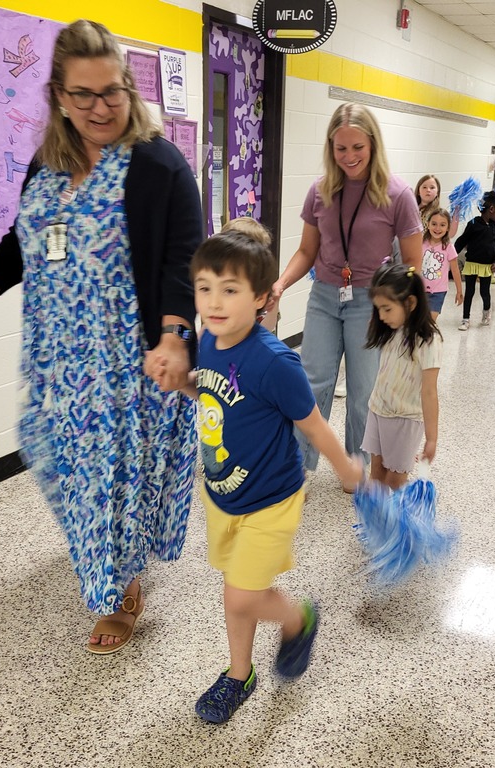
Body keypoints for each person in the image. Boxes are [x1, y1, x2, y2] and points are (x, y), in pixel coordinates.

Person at [0, 20, 202, 654]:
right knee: (52, 456)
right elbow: (21, 241)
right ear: (59, 95)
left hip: (125, 359)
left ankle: (118, 589)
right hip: (57, 356)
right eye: (83, 94)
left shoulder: (158, 164)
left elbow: (183, 258)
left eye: (112, 92)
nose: (100, 108)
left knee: (107, 478)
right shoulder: (49, 162)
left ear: (129, 87)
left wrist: (174, 335)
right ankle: (105, 552)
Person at [182, 227, 363, 724]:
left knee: (243, 592)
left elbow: (314, 425)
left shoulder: (276, 362)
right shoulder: (208, 340)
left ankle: (299, 618)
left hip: (271, 498)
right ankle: (239, 675)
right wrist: (183, 384)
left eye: (230, 289)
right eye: (204, 288)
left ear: (262, 297)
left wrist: (346, 466)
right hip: (222, 494)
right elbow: (212, 393)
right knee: (237, 593)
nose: (214, 302)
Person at [270, 103, 422, 487]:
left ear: (373, 145)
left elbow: (413, 264)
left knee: (363, 393)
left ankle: (358, 469)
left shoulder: (398, 194)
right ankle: (299, 469)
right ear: (330, 148)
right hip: (324, 295)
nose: (350, 157)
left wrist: (404, 316)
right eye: (341, 149)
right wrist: (280, 283)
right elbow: (306, 251)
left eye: (358, 147)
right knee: (312, 382)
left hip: (371, 304)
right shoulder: (320, 191)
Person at [363, 263, 442, 490]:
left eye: (387, 309)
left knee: (394, 481)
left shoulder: (428, 340)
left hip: (405, 419)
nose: (381, 316)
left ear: (410, 303)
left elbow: (429, 392)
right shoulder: (391, 329)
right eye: (378, 309)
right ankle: (372, 523)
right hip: (377, 410)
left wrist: (432, 438)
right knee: (376, 474)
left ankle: (394, 525)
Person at [454, 190, 495, 328]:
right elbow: (462, 241)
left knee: (484, 292)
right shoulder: (474, 223)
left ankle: (486, 313)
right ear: (491, 209)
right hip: (471, 264)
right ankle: (465, 319)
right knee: (469, 292)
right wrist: (451, 255)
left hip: (486, 266)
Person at [420, 208, 462, 321]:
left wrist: (459, 291)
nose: (437, 228)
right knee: (419, 320)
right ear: (428, 225)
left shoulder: (448, 247)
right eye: (434, 224)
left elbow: (455, 270)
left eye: (442, 225)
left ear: (448, 227)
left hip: (438, 291)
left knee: (430, 319)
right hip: (419, 289)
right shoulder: (421, 243)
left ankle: (427, 336)